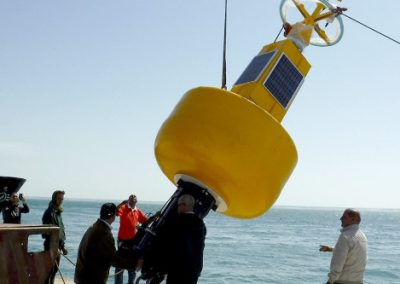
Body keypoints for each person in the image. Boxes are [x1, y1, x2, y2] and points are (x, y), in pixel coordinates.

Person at [74, 203, 138, 284]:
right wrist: (135, 264)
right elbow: (113, 259)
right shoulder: (104, 233)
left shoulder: (94, 226)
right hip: (92, 279)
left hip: (83, 276)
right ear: (114, 215)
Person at [160, 194, 207, 284]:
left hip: (178, 268)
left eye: (179, 205)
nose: (178, 208)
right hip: (194, 269)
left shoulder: (177, 222)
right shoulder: (201, 224)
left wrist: (163, 267)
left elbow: (171, 246)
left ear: (184, 205)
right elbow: (201, 247)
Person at [320, 208, 368, 284]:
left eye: (344, 217)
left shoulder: (345, 236)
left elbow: (338, 263)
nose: (341, 219)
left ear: (353, 220)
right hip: (358, 281)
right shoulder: (362, 236)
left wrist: (330, 281)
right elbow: (352, 253)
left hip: (342, 282)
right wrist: (331, 249)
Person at [115, 194, 148, 284]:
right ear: (128, 200)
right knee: (120, 264)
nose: (133, 196)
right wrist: (122, 203)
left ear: (136, 201)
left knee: (132, 265)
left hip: (133, 241)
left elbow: (146, 221)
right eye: (131, 196)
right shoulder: (123, 208)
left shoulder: (137, 211)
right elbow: (115, 211)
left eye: (134, 197)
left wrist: (156, 216)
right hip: (122, 240)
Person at [42, 190, 68, 284]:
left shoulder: (58, 212)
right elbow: (45, 233)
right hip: (51, 246)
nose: (61, 200)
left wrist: (63, 246)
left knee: (54, 271)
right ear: (54, 199)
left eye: (62, 199)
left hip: (58, 246)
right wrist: (54, 247)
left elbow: (60, 231)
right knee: (49, 272)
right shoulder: (49, 213)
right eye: (59, 198)